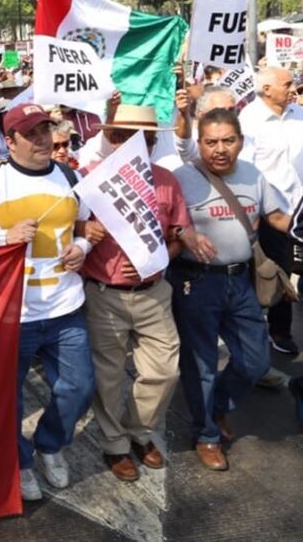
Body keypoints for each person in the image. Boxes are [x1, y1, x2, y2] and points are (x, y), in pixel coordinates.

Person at [0, 103, 94, 501]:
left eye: (46, 131)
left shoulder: (68, 175)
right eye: (31, 134)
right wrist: (4, 237)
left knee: (80, 387)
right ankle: (22, 460)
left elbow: (88, 226)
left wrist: (81, 246)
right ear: (9, 142)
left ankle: (49, 444)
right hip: (12, 313)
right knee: (7, 399)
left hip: (65, 308)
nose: (43, 140)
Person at [78, 105, 198, 482]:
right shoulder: (87, 181)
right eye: (128, 137)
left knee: (164, 371)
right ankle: (115, 444)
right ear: (112, 138)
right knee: (108, 376)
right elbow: (62, 233)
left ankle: (140, 431)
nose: (139, 145)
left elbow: (179, 234)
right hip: (103, 293)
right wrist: (83, 230)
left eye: (147, 139)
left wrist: (161, 255)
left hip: (154, 292)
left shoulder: (167, 181)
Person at [168, 108, 292, 471]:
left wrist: (297, 224)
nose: (219, 149)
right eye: (210, 142)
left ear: (240, 141)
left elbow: (277, 218)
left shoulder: (255, 175)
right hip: (195, 283)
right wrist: (181, 233)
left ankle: (217, 406)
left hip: (240, 282)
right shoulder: (181, 178)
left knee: (256, 361)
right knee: (201, 364)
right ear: (199, 143)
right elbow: (166, 226)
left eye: (227, 140)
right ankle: (206, 433)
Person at [238, 67, 303, 355]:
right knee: (276, 271)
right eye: (287, 84)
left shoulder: (298, 115)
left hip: (299, 211)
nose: (294, 88)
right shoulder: (249, 121)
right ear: (266, 90)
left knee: (294, 270)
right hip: (270, 214)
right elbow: (245, 170)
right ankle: (278, 331)